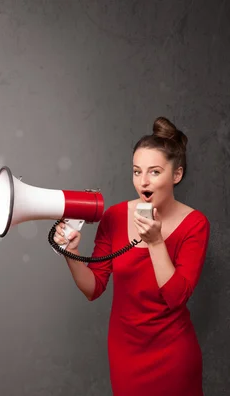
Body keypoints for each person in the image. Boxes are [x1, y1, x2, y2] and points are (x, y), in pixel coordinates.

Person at [53, 116, 210, 396]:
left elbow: (176, 298)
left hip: (173, 356)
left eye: (154, 172)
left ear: (177, 175)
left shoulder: (195, 224)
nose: (143, 181)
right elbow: (93, 288)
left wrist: (156, 242)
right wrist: (71, 252)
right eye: (137, 172)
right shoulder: (113, 217)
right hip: (126, 355)